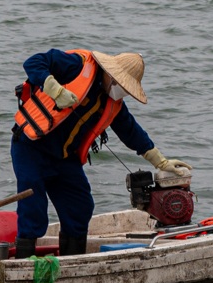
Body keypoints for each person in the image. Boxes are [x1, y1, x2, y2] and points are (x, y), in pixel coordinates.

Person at [10, 48, 191, 258]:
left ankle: (72, 263)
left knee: (81, 207)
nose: (120, 91)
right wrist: (55, 89)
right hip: (31, 147)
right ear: (109, 73)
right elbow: (34, 62)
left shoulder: (113, 103)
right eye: (120, 84)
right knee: (33, 210)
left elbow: (131, 131)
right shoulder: (76, 66)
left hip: (64, 158)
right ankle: (23, 266)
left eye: (125, 89)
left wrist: (160, 161)